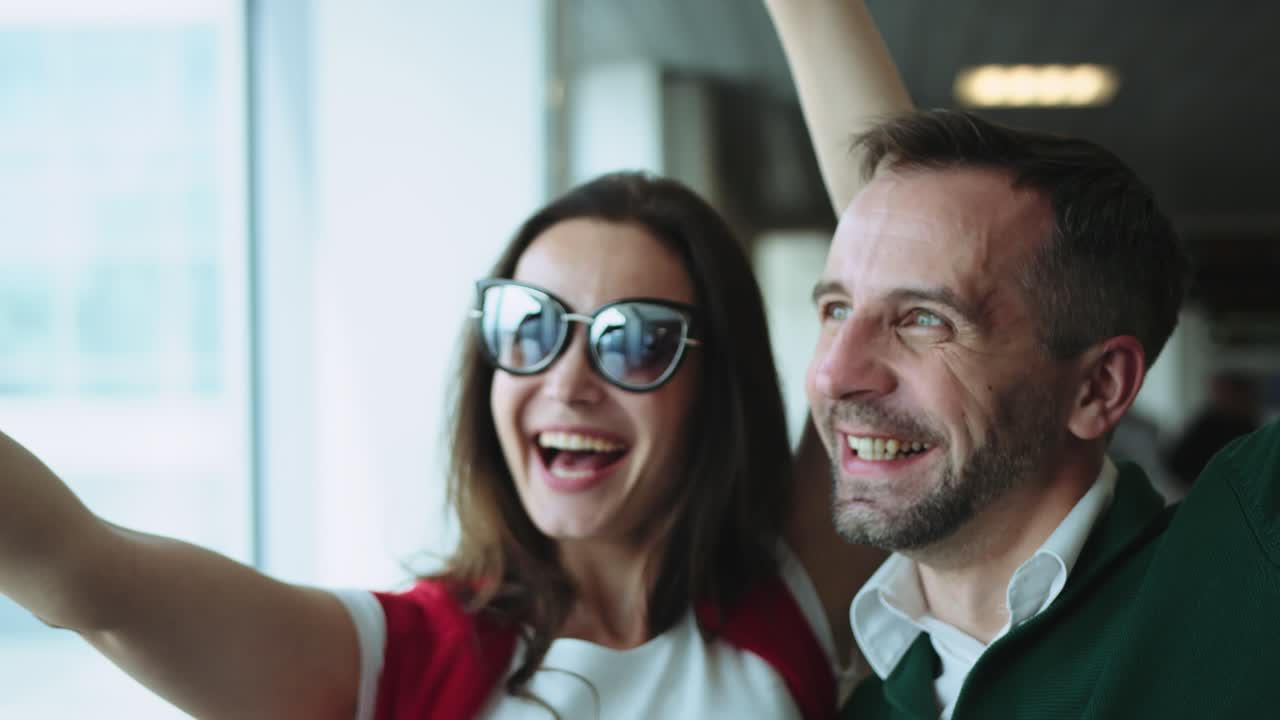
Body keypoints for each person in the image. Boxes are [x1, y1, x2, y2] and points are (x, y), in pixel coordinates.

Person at [0, 171, 893, 719]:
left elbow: (895, 236)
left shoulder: (792, 597)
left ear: (716, 384)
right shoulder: (402, 655)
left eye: (634, 341)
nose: (567, 380)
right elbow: (87, 579)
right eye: (527, 325)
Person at [767, 1, 1280, 718]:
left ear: (1099, 387)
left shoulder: (1245, 567)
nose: (833, 374)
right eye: (836, 310)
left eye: (923, 321)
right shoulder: (872, 706)